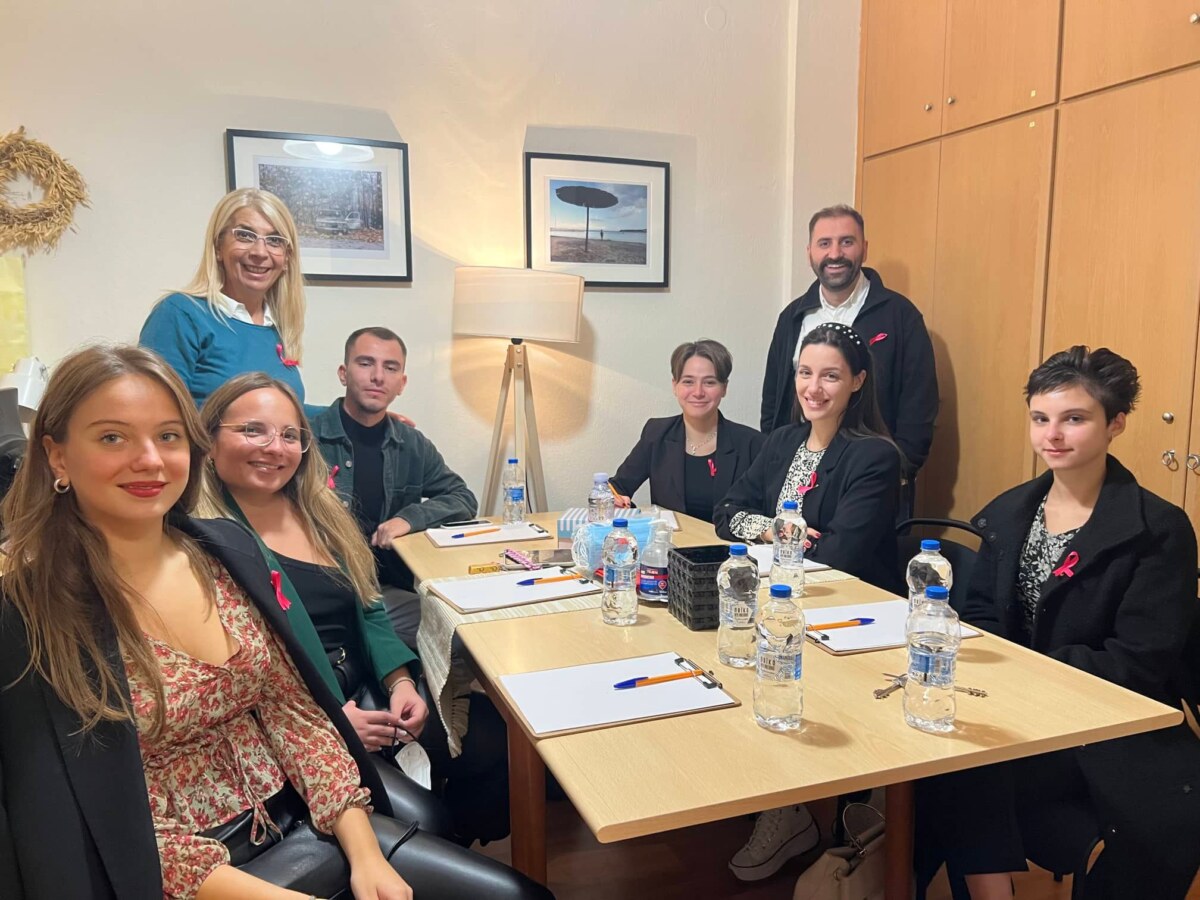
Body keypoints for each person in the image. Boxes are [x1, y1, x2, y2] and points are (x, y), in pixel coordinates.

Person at [0, 344, 551, 900]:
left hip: (302, 816)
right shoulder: (32, 613)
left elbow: (294, 710)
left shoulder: (222, 553)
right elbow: (103, 823)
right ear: (57, 456)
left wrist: (365, 854)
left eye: (167, 436)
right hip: (191, 872)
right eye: (112, 437)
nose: (149, 459)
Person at [916, 347, 1200, 900]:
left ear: (1116, 423)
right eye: (1040, 418)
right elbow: (979, 613)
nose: (1053, 435)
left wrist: (1023, 674)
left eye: (1074, 418)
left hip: (1108, 724)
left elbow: (1138, 661)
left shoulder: (1158, 530)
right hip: (1018, 703)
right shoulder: (1010, 512)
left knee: (964, 763)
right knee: (935, 743)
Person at [210, 370, 510, 848]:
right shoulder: (206, 539)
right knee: (424, 821)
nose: (274, 447)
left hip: (365, 687)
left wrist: (401, 682)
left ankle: (463, 847)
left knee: (494, 739)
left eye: (289, 435)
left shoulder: (320, 512)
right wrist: (332, 717)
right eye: (252, 430)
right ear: (208, 440)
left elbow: (369, 606)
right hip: (301, 718)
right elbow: (236, 678)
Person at [716, 322, 904, 882]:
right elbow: (727, 511)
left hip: (847, 615)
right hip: (778, 601)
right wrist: (775, 529)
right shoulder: (782, 441)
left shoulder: (874, 456)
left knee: (776, 680)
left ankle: (789, 807)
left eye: (830, 376)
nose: (813, 388)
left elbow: (842, 555)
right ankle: (782, 801)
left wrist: (780, 535)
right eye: (805, 373)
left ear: (857, 382)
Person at [760, 204, 937, 516]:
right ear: (809, 253)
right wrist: (774, 463)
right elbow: (773, 401)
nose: (835, 254)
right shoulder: (792, 317)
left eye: (846, 242)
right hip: (798, 477)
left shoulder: (900, 316)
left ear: (864, 248)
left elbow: (919, 404)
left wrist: (899, 470)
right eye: (824, 243)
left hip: (872, 480)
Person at [312, 327, 477, 651]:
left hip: (384, 592)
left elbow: (462, 497)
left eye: (390, 368)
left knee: (464, 637)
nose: (378, 376)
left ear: (401, 383)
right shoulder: (307, 439)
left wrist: (409, 518)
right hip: (322, 588)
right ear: (343, 373)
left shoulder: (411, 444)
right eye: (365, 363)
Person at [140, 188, 323, 416]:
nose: (260, 252)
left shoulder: (276, 328)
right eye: (245, 235)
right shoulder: (181, 314)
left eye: (275, 240)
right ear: (218, 247)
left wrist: (350, 413)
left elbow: (283, 414)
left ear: (286, 258)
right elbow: (152, 416)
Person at [610, 339, 764, 524]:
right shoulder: (656, 434)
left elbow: (765, 513)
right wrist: (619, 504)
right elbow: (617, 488)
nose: (698, 392)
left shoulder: (753, 444)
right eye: (688, 382)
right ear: (675, 386)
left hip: (726, 543)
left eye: (709, 382)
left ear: (724, 388)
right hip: (671, 541)